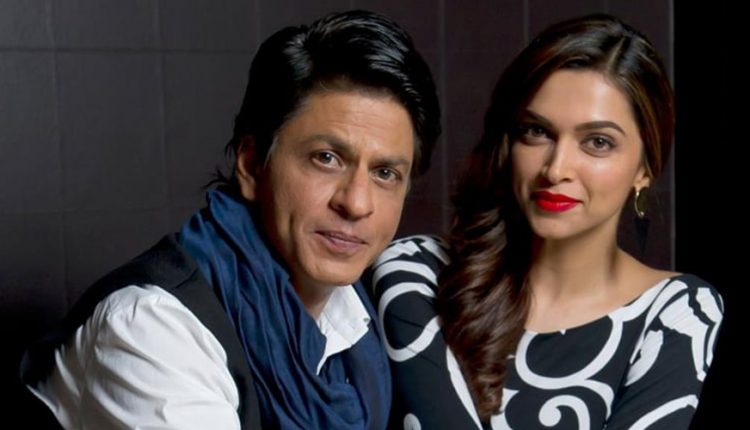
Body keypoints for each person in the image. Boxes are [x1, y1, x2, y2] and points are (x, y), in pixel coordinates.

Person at [21, 10, 440, 430]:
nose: (357, 203)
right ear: (252, 164)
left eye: (385, 173)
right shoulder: (151, 327)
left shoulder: (360, 316)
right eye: (326, 158)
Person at [372, 14, 723, 429]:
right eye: (536, 132)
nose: (556, 169)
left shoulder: (679, 311)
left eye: (598, 142)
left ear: (644, 169)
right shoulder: (416, 272)